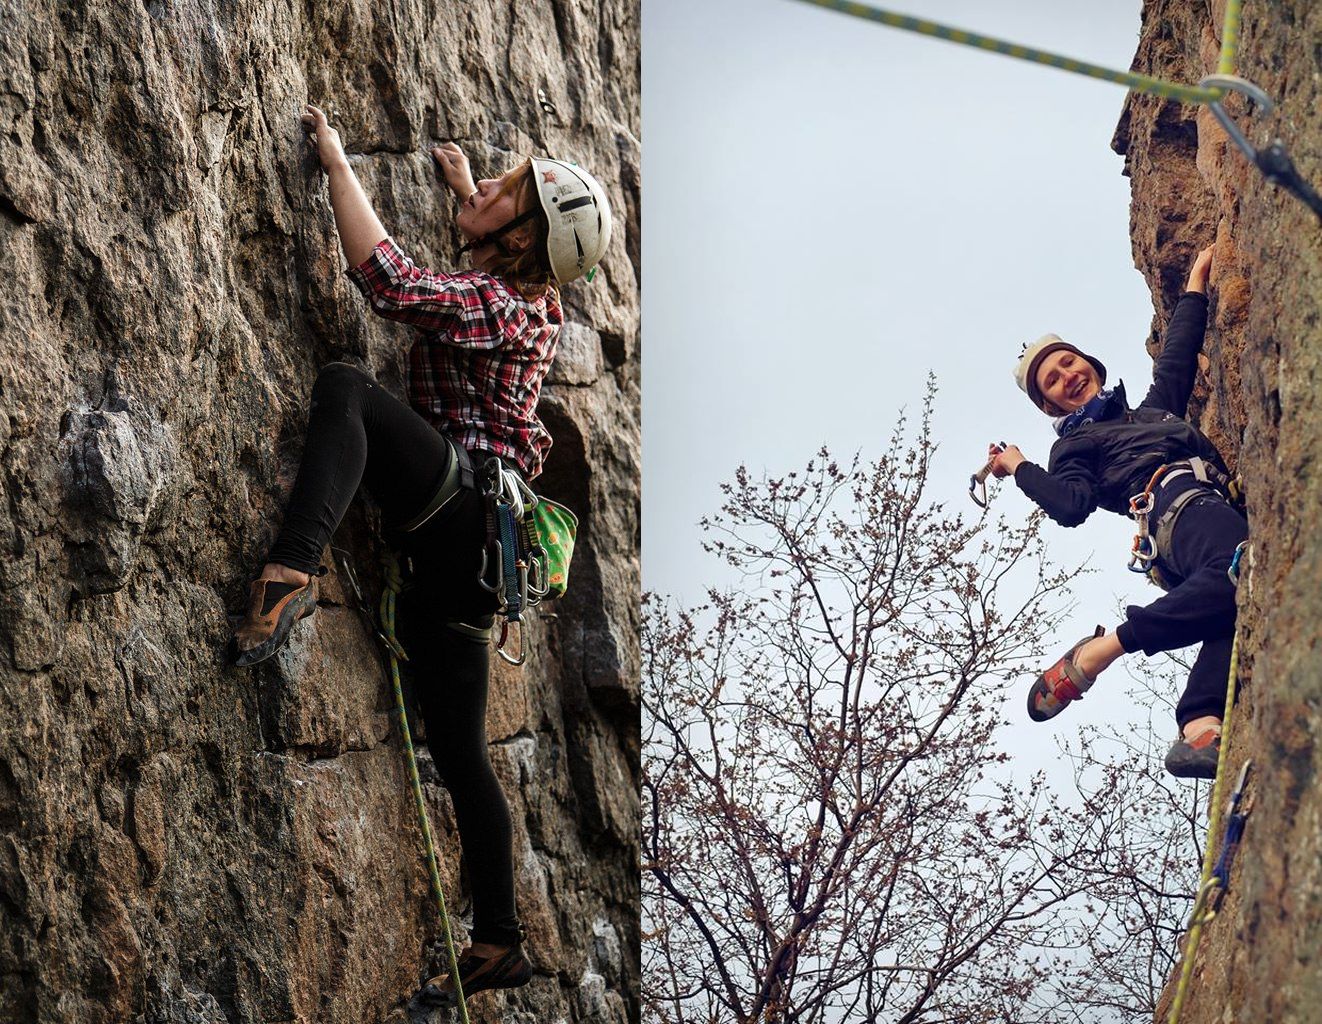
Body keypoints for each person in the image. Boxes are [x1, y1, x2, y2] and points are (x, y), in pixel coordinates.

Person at [232, 103, 611, 1003]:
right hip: (478, 561)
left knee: (348, 391)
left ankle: (291, 569)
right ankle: (500, 941)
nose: (488, 187)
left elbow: (393, 283)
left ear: (520, 239)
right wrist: (471, 196)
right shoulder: (530, 292)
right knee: (461, 747)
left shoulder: (499, 303)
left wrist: (333, 163)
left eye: (506, 192)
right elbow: (499, 253)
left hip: (457, 514)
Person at [990, 244, 1246, 779]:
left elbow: (1177, 356)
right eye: (1053, 382)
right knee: (1241, 565)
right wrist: (1020, 468)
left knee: (1236, 602)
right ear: (1050, 406)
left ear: (1088, 362)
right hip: (1177, 509)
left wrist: (1197, 282)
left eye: (1068, 363)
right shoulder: (1075, 448)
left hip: (1199, 517)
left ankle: (1200, 726)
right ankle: (1103, 651)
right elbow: (1071, 506)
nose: (1067, 376)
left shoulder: (1150, 413)